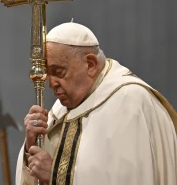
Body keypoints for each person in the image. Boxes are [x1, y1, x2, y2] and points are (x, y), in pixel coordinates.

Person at [15, 22, 177, 185]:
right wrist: (32, 145)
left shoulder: (130, 103)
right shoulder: (61, 109)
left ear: (90, 65)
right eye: (48, 75)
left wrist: (55, 175)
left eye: (58, 72)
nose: (51, 84)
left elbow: (130, 179)